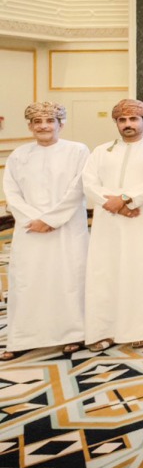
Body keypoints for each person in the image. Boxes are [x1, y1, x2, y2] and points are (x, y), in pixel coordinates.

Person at [82, 99, 143, 351]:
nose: (128, 125)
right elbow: (89, 182)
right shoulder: (101, 151)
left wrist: (126, 200)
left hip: (142, 220)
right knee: (105, 273)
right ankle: (104, 329)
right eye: (122, 120)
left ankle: (142, 328)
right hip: (108, 222)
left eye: (134, 119)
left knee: (141, 271)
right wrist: (111, 202)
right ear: (116, 123)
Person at [1, 101, 89, 359]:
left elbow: (78, 188)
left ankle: (72, 335)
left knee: (68, 280)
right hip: (29, 230)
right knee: (26, 282)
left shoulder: (77, 151)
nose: (43, 126)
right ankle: (23, 338)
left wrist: (52, 219)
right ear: (29, 126)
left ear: (61, 124)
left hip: (66, 228)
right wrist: (32, 219)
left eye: (50, 121)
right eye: (37, 122)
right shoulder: (19, 155)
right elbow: (12, 192)